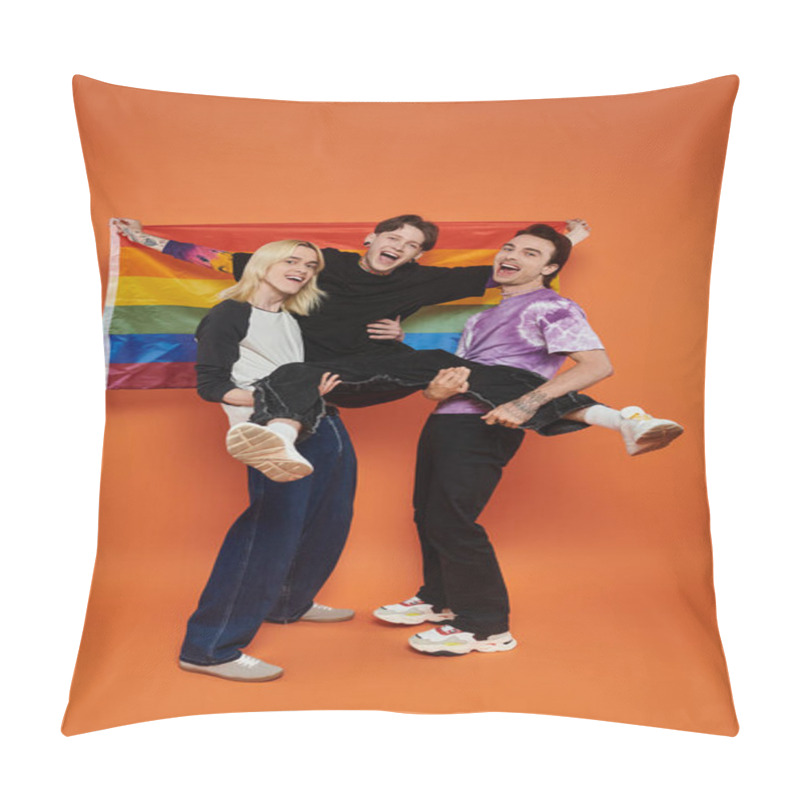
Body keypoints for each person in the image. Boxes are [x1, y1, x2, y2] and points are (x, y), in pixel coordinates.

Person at [372, 224, 681, 656]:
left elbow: (596, 364)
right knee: (428, 515)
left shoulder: (552, 306)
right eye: (509, 247)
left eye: (531, 253)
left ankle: (485, 626)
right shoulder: (480, 317)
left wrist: (527, 404)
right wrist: (434, 393)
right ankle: (439, 600)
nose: (512, 255)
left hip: (489, 425)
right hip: (447, 419)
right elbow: (452, 380)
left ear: (549, 268)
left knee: (454, 521)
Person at [178, 239, 382, 682]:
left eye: (310, 265)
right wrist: (282, 398)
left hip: (324, 422)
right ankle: (209, 647)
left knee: (331, 516)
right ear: (264, 263)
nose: (302, 269)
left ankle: (288, 600)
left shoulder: (290, 319)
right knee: (271, 527)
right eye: (292, 260)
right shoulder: (229, 313)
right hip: (271, 430)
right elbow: (212, 385)